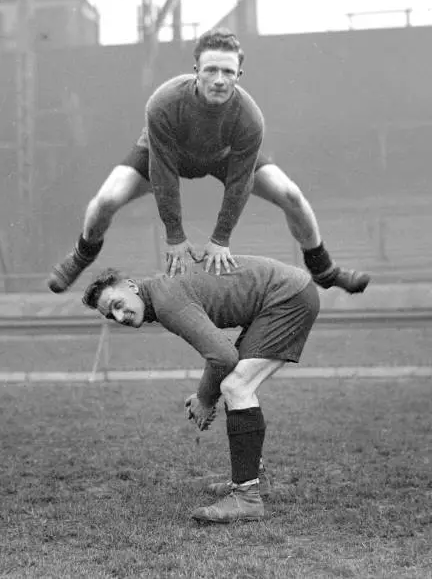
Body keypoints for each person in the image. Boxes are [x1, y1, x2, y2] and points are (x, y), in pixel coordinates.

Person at [48, 27, 370, 294]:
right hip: (163, 154)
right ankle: (82, 254)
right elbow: (162, 172)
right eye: (211, 70)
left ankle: (324, 270)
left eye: (228, 71)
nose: (219, 79)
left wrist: (221, 238)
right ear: (196, 72)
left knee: (291, 196)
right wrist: (175, 235)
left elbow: (240, 181)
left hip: (222, 156)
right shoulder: (163, 103)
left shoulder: (249, 118)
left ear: (238, 75)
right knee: (105, 201)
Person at [81, 254, 320, 523]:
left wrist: (205, 400)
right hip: (286, 294)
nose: (118, 316)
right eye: (111, 315)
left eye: (117, 304)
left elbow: (222, 356)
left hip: (288, 298)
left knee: (236, 385)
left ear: (131, 286)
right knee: (236, 380)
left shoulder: (165, 301)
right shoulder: (161, 295)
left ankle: (247, 498)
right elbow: (224, 354)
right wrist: (205, 395)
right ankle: (255, 480)